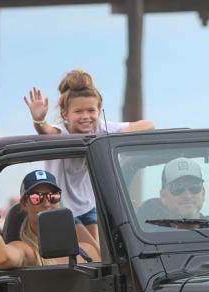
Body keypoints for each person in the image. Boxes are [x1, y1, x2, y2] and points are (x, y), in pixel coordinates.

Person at [25, 69, 154, 241]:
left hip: (87, 205)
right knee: (92, 251)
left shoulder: (100, 128)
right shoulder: (62, 131)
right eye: (78, 112)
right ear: (65, 114)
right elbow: (45, 131)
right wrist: (39, 120)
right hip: (61, 206)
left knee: (99, 254)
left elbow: (148, 125)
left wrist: (110, 136)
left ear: (99, 111)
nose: (86, 116)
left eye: (91, 110)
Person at [0, 156, 100, 269]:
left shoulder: (87, 250)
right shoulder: (27, 251)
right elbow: (2, 257)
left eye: (53, 196)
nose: (46, 202)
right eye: (36, 197)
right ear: (24, 204)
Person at [136, 157, 207, 222]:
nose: (187, 196)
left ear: (203, 193)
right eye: (178, 188)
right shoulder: (145, 233)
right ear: (163, 196)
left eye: (194, 187)